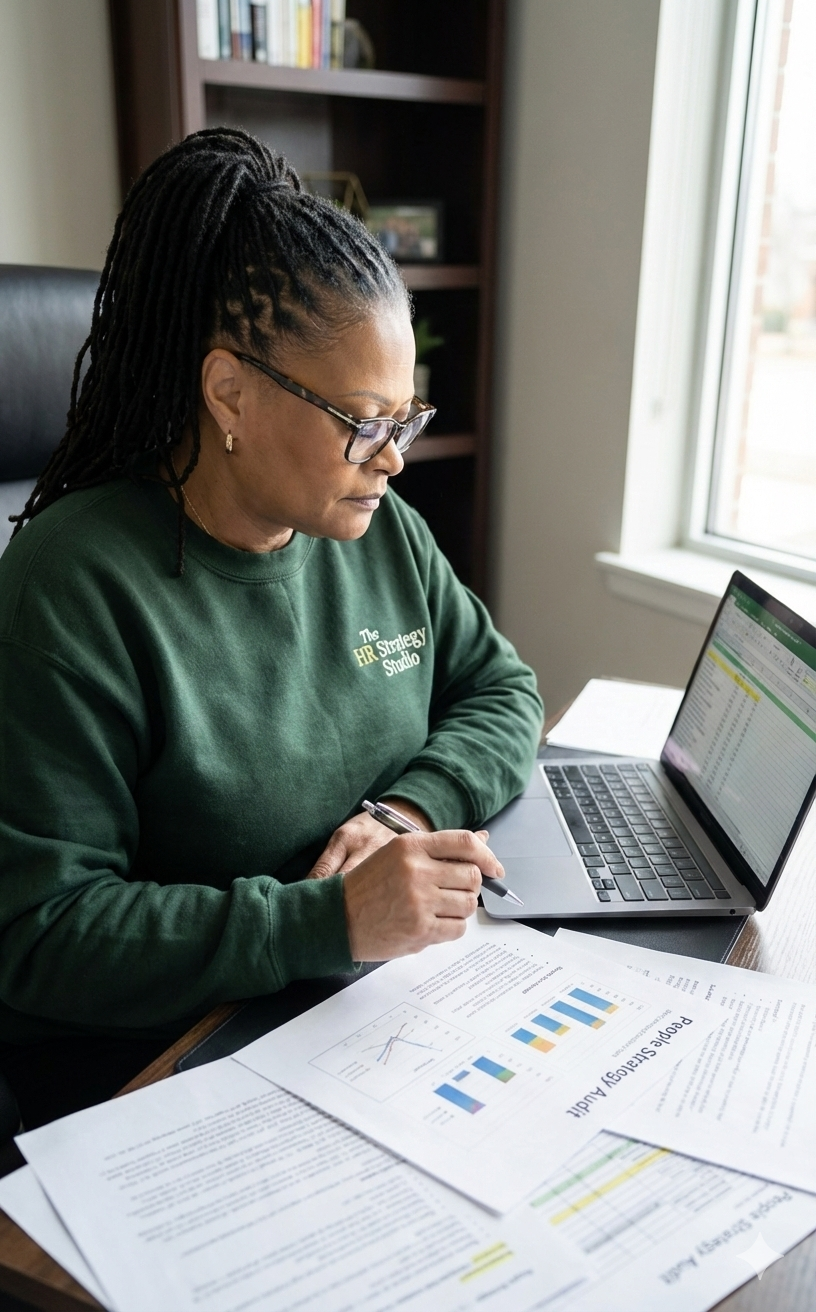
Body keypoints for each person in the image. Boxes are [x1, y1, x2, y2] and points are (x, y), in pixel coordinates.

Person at [0, 129, 542, 1126]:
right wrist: (325, 919)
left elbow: (503, 688)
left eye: (405, 419)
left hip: (355, 1018)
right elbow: (43, 934)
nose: (392, 459)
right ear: (229, 392)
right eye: (362, 420)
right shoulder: (69, 590)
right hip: (154, 1069)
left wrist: (408, 811)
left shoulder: (381, 535)